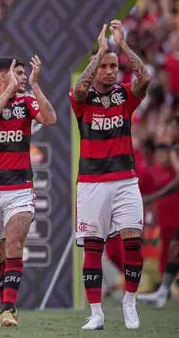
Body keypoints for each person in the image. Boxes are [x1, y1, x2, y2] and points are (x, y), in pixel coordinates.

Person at [71, 20, 151, 331]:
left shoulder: (125, 96)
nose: (108, 70)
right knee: (93, 247)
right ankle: (96, 314)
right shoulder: (82, 97)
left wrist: (124, 46)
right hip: (91, 183)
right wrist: (101, 50)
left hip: (125, 180)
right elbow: (79, 89)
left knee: (133, 241)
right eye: (103, 65)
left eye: (112, 65)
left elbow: (145, 77)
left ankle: (130, 303)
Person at [0, 54, 57, 328]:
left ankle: (7, 309)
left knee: (14, 244)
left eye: (23, 74)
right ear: (2, 77)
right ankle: (8, 306)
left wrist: (35, 85)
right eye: (17, 73)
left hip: (20, 187)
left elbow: (51, 118)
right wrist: (7, 91)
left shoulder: (26, 101)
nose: (22, 77)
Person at [138, 118, 179, 308]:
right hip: (167, 216)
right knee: (173, 249)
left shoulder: (174, 153)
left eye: (172, 129)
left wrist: (153, 197)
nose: (170, 132)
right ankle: (162, 292)